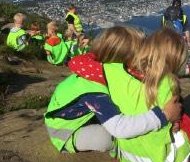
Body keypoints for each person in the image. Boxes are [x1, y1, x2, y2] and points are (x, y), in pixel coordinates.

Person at [69, 27, 190, 162]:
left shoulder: (113, 73)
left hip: (128, 158)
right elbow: (171, 117)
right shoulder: (168, 83)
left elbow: (81, 62)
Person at [44, 25, 182, 153]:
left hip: (87, 116)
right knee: (104, 139)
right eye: (139, 58)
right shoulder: (94, 89)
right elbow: (119, 128)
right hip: (65, 131)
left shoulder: (101, 73)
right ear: (121, 62)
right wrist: (163, 116)